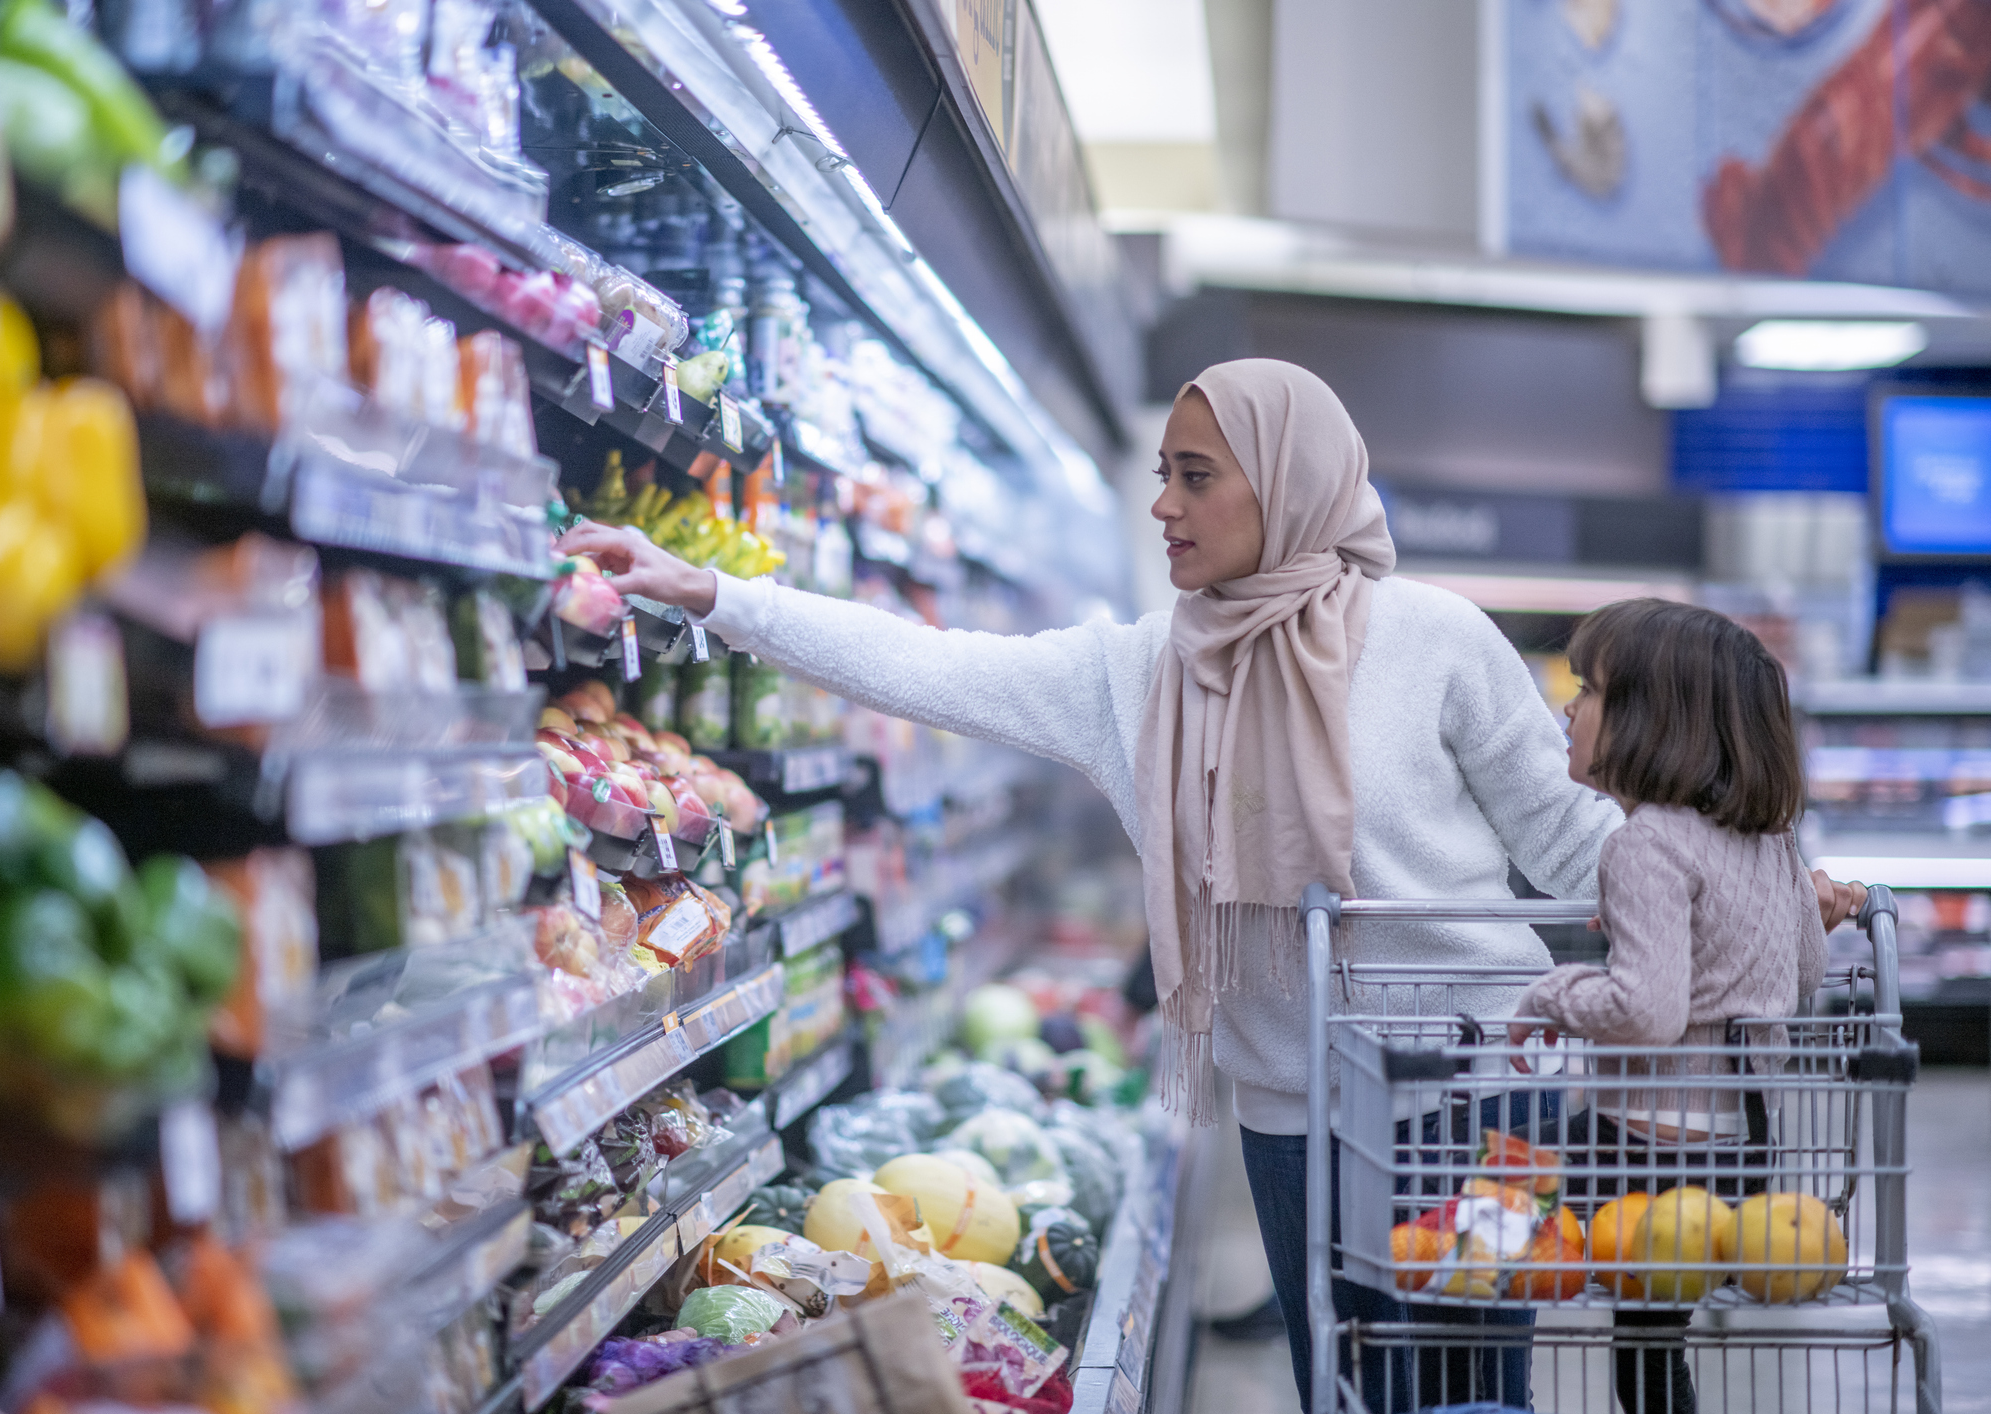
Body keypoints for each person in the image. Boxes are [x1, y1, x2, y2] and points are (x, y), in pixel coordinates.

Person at [563, 360, 1864, 1412]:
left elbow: (1575, 835)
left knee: (1467, 1378)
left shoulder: (1435, 639)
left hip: (1477, 1078)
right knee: (1337, 1379)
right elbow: (929, 663)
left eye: (1197, 475)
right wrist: (720, 596)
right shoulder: (1135, 671)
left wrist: (1763, 893)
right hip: (1292, 1098)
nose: (1164, 505)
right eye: (1162, 476)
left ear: (1284, 483)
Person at [1507, 600, 1833, 1414]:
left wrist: (1548, 994)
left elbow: (1647, 1011)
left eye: (1589, 690)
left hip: (1642, 1152)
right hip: (1739, 1153)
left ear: (1655, 722)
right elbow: (1802, 970)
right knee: (1650, 1346)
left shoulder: (1644, 842)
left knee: (1476, 1195)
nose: (1569, 708)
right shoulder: (1769, 839)